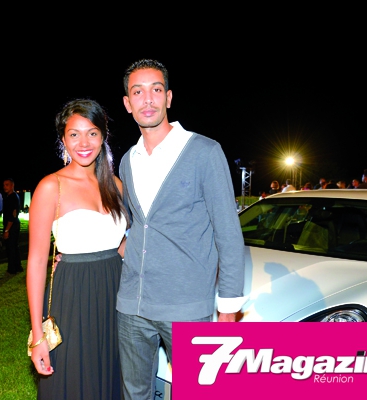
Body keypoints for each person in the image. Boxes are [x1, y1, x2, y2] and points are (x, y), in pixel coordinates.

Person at [117, 59, 246, 399]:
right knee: (134, 393)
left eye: (156, 90)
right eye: (138, 92)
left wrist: (228, 308)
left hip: (187, 308)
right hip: (132, 306)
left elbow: (228, 234)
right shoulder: (128, 160)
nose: (148, 99)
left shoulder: (205, 152)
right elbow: (133, 227)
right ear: (127, 103)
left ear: (169, 97)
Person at [26, 99, 128, 400]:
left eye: (92, 133)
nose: (84, 143)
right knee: (72, 378)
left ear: (103, 136)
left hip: (116, 291)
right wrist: (38, 336)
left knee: (112, 374)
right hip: (73, 295)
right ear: (63, 139)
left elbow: (123, 243)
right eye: (74, 134)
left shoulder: (116, 186)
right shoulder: (51, 186)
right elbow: (36, 262)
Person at [2, 177, 23, 275]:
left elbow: (12, 215)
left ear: (12, 185)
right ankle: (18, 267)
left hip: (11, 226)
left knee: (10, 248)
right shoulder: (12, 196)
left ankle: (12, 269)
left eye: (7, 185)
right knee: (14, 246)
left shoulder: (12, 197)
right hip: (14, 225)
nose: (5, 187)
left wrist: (6, 230)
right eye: (4, 185)